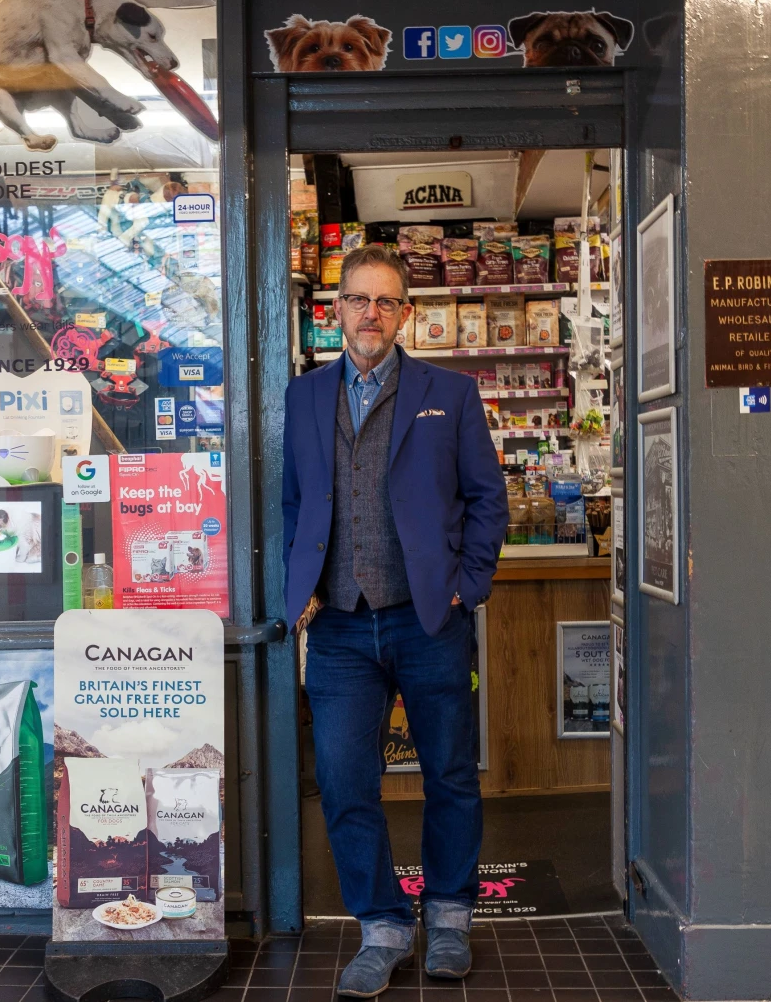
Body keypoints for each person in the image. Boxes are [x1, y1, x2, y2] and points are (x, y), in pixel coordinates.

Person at [283, 245, 509, 997]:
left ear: (405, 312)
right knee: (346, 778)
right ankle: (380, 924)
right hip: (341, 626)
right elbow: (294, 499)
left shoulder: (451, 391)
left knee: (448, 771)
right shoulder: (306, 396)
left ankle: (448, 916)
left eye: (385, 301)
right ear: (337, 309)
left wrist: (464, 588)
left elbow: (487, 499)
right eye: (357, 299)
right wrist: (302, 582)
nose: (370, 313)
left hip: (427, 618)